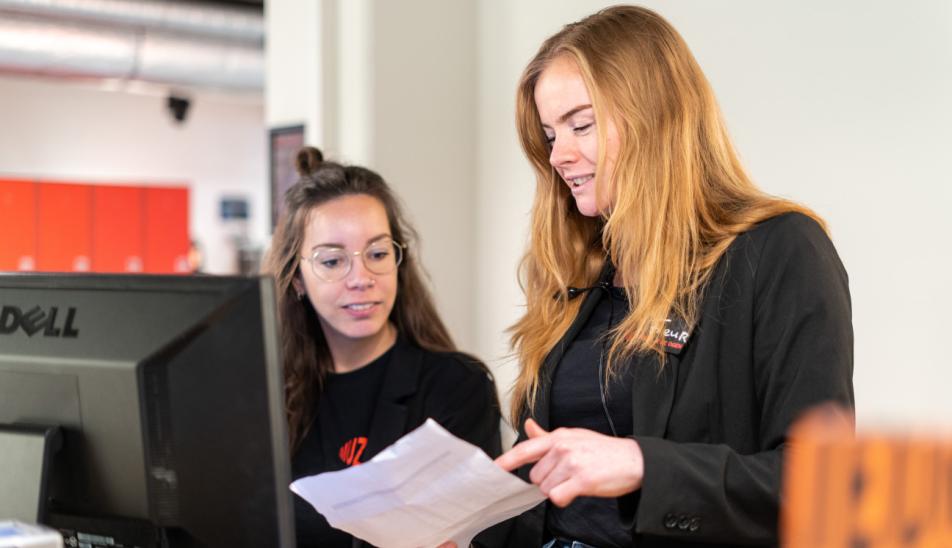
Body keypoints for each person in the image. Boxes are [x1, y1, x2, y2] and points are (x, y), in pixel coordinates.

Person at [487, 5, 854, 547]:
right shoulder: (581, 269)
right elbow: (545, 491)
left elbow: (822, 485)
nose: (558, 156)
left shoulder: (779, 251)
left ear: (655, 115)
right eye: (549, 135)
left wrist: (642, 464)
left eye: (580, 125)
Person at [263, 147, 502, 548]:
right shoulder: (267, 396)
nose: (361, 277)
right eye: (332, 261)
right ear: (298, 279)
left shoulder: (456, 387)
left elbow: (483, 537)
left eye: (377, 254)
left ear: (397, 260)